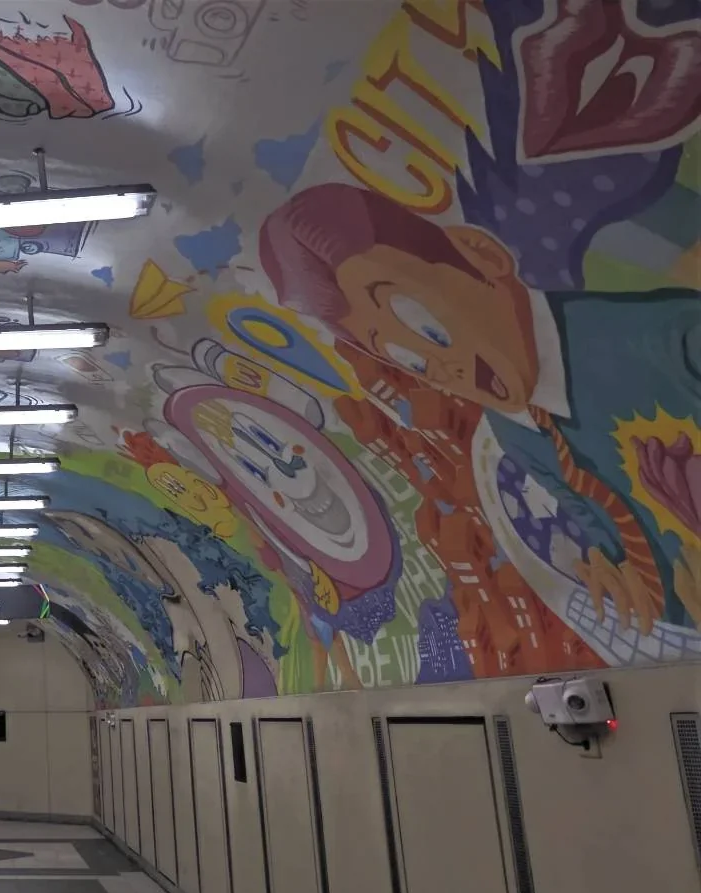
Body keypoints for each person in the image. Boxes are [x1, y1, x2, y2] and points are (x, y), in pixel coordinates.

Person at [259, 182, 701, 636]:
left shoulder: (672, 341)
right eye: (408, 360)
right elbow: (603, 529)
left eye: (428, 328)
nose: (441, 368)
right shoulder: (516, 435)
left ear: (482, 255)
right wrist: (618, 575)